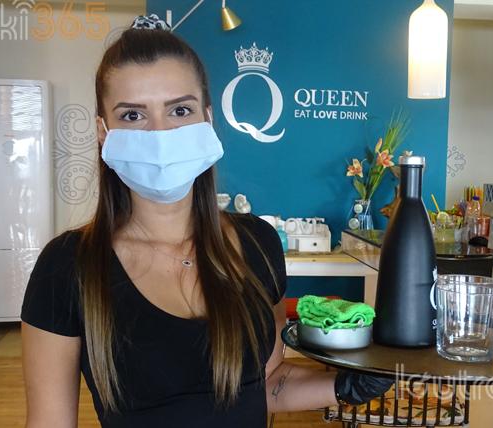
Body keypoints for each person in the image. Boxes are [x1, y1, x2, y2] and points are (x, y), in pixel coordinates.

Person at [21, 14, 393, 428]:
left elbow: (267, 381)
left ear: (208, 120)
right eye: (132, 116)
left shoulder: (258, 243)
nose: (160, 134)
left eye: (180, 110)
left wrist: (351, 385)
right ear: (103, 131)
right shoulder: (67, 266)